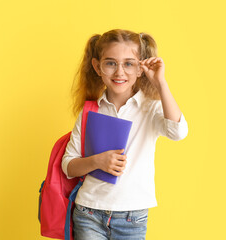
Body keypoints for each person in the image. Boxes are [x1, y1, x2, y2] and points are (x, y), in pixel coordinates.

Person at [61, 29, 188, 240]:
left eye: (129, 63)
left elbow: (178, 132)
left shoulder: (151, 108)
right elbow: (68, 165)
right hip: (89, 212)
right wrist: (97, 161)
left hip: (133, 216)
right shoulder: (91, 110)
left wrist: (161, 84)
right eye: (111, 63)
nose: (119, 72)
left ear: (140, 68)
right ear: (97, 67)